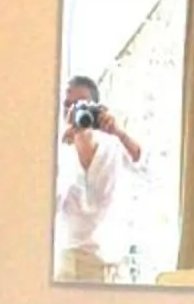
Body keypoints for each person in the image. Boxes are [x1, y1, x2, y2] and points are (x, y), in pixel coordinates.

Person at [53, 73, 143, 282]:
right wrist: (68, 137)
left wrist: (118, 131)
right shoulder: (57, 152)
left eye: (81, 105)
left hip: (111, 267)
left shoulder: (114, 145)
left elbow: (143, 162)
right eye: (68, 105)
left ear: (97, 109)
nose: (74, 111)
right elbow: (49, 208)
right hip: (70, 265)